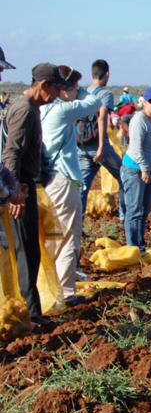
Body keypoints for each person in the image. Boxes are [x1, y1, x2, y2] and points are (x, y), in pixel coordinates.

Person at [2, 63, 72, 326]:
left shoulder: (31, 108)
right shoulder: (24, 111)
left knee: (31, 251)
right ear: (43, 86)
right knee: (25, 253)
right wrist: (15, 193)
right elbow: (11, 154)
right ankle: (30, 315)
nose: (57, 95)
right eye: (55, 89)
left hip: (25, 187)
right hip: (20, 191)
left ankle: (34, 313)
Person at [40, 66, 101, 307]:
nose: (77, 91)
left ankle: (47, 288)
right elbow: (95, 102)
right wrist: (83, 91)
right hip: (63, 180)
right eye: (73, 87)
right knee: (67, 237)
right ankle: (65, 293)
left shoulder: (42, 110)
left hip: (47, 180)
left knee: (51, 236)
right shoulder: (62, 110)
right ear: (64, 91)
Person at [120, 87, 151, 252]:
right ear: (144, 103)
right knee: (134, 209)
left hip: (149, 171)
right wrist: (145, 170)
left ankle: (140, 244)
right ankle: (133, 247)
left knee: (145, 209)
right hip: (135, 170)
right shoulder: (139, 120)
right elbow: (137, 148)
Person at [78, 59, 125, 222]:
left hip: (82, 146)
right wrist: (100, 147)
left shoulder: (81, 93)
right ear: (107, 74)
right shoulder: (105, 94)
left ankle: (78, 225)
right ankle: (124, 216)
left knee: (82, 187)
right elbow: (103, 116)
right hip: (99, 146)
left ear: (91, 75)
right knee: (124, 176)